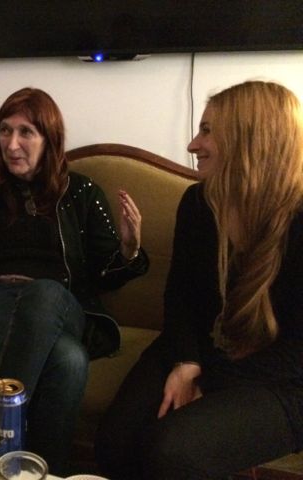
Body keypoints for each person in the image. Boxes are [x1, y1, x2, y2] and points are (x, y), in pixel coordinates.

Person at [0, 87, 148, 475]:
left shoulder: (82, 192)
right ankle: (45, 472)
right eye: (5, 130)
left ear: (49, 139)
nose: (12, 143)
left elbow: (107, 278)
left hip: (62, 308)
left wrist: (128, 250)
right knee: (69, 360)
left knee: (46, 293)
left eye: (26, 132)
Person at [94, 80, 303, 480]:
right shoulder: (197, 203)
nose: (193, 145)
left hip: (283, 379)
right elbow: (180, 297)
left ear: (248, 138)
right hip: (200, 349)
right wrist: (187, 361)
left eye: (207, 131)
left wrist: (210, 382)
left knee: (172, 451)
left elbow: (297, 351)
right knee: (115, 443)